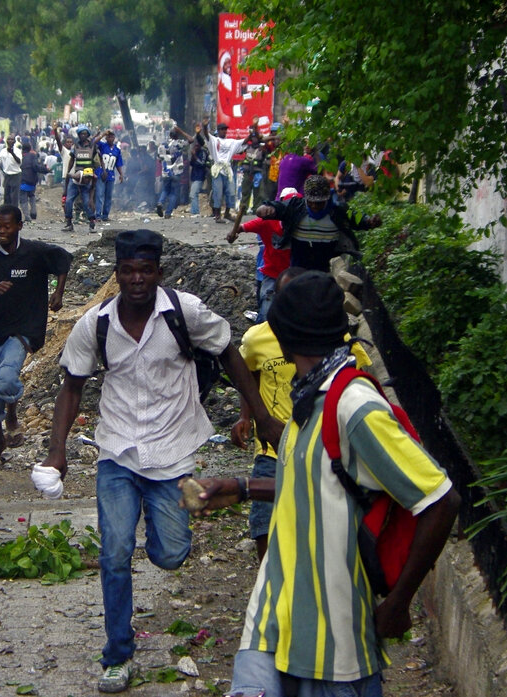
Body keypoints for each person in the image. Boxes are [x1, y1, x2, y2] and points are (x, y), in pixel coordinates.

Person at [186, 270, 460, 697]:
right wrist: (241, 488)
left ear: (283, 338)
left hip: (334, 651)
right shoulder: (310, 398)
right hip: (273, 624)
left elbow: (440, 500)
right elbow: (316, 483)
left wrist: (400, 602)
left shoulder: (354, 406)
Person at [37, 229, 283, 693]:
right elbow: (72, 386)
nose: (136, 279)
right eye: (128, 271)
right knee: (113, 552)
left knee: (171, 554)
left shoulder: (184, 313)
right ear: (117, 274)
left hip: (172, 457)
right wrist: (58, 450)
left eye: (145, 270)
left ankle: (156, 523)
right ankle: (118, 656)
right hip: (117, 453)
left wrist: (263, 416)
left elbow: (229, 354)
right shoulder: (97, 324)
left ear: (158, 272)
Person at [230, 266, 371, 560]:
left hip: (323, 451)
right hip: (273, 449)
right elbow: (248, 375)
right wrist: (250, 417)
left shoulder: (345, 365)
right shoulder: (258, 339)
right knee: (265, 523)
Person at [0, 204, 71, 464]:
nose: (2, 231)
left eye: (7, 226)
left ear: (19, 226)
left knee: (7, 378)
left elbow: (63, 260)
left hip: (22, 329)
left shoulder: (34, 252)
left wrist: (58, 292)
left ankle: (13, 416)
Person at [255, 174, 382, 272]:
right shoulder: (296, 206)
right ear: (306, 198)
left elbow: (356, 218)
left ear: (327, 198)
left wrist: (369, 221)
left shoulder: (338, 210)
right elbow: (279, 207)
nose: (315, 206)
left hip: (328, 265)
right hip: (299, 264)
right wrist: (267, 208)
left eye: (319, 202)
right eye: (311, 202)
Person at [226, 187, 297, 322]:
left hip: (293, 275)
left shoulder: (301, 223)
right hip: (272, 273)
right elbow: (241, 228)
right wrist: (232, 233)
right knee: (265, 314)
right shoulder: (267, 221)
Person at [200, 122, 248, 223]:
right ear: (219, 130)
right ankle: (217, 215)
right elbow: (206, 135)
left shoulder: (231, 142)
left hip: (228, 169)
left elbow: (243, 142)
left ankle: (227, 213)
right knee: (218, 192)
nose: (224, 131)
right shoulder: (214, 140)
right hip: (218, 169)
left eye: (225, 129)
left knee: (231, 192)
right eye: (222, 129)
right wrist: (204, 126)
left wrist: (252, 133)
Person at [63, 126, 102, 232]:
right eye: (81, 134)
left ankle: (92, 223)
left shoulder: (93, 147)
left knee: (87, 202)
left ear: (88, 135)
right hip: (76, 176)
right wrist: (68, 171)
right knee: (69, 201)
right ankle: (68, 223)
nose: (83, 136)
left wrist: (102, 170)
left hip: (87, 176)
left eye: (85, 134)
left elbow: (99, 158)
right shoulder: (75, 146)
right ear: (79, 135)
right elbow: (72, 160)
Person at [94, 130, 124, 223]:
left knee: (109, 196)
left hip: (111, 175)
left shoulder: (117, 150)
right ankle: (98, 215)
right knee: (99, 194)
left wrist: (121, 174)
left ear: (114, 138)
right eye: (109, 136)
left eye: (112, 136)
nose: (110, 138)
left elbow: (118, 164)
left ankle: (105, 215)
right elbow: (94, 141)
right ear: (106, 138)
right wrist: (103, 134)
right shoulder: (102, 146)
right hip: (101, 174)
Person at [18, 140, 48, 223]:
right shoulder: (33, 156)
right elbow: (36, 167)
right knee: (32, 196)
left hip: (22, 180)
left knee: (23, 199)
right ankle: (33, 212)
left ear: (22, 149)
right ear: (30, 148)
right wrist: (45, 170)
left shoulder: (19, 157)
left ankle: (27, 216)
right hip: (32, 180)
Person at [0, 135, 22, 206]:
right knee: (6, 195)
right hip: (7, 175)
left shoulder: (17, 151)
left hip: (16, 174)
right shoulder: (3, 151)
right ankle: (7, 212)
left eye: (12, 139)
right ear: (6, 141)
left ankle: (14, 212)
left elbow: (19, 161)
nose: (10, 141)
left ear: (14, 141)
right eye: (9, 139)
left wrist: (12, 153)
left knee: (14, 196)